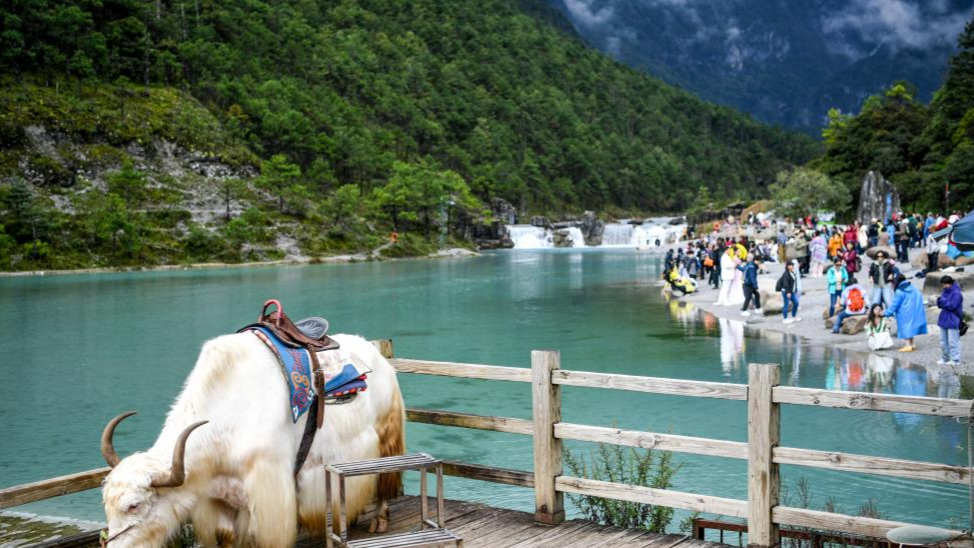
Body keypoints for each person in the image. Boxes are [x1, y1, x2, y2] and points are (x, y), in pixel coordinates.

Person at [884, 274, 928, 352]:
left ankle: (908, 346)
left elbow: (895, 305)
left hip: (904, 312)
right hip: (914, 311)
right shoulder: (913, 287)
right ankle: (912, 344)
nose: (891, 284)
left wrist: (886, 313)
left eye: (892, 282)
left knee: (905, 328)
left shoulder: (899, 291)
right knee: (910, 328)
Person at [936, 275, 964, 365]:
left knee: (953, 341)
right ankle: (945, 358)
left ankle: (955, 359)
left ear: (950, 283)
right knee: (943, 341)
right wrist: (940, 301)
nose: (943, 286)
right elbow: (940, 304)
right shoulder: (945, 291)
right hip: (944, 317)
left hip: (953, 318)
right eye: (942, 285)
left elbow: (953, 306)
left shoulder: (957, 293)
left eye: (945, 284)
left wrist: (942, 300)